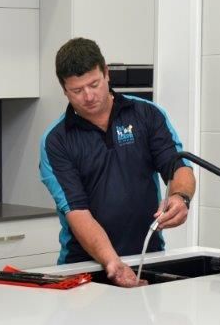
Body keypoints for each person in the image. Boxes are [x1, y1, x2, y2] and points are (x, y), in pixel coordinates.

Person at [39, 38, 196, 287]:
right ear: (63, 89)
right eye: (77, 90)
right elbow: (77, 212)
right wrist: (112, 262)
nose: (88, 96)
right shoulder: (56, 141)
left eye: (94, 84)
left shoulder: (147, 114)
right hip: (84, 269)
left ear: (106, 73)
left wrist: (180, 198)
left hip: (147, 257)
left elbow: (178, 167)